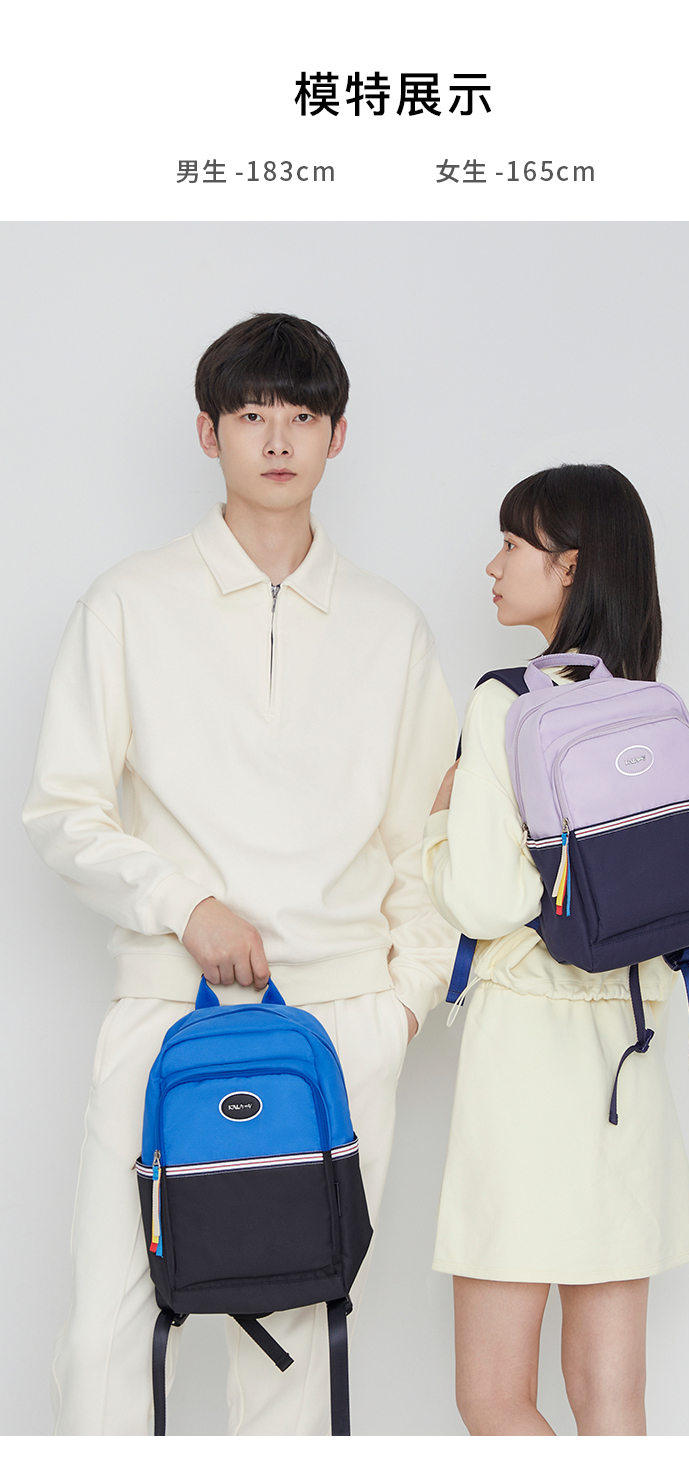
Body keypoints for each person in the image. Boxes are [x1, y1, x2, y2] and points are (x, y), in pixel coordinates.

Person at [22, 312, 457, 1435]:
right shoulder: (128, 602)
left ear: (338, 435)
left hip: (342, 1022)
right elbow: (63, 810)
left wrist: (404, 1004)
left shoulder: (390, 625)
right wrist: (185, 905)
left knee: (298, 1341)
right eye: (252, 413)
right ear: (207, 431)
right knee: (110, 1330)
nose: (277, 438)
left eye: (301, 415)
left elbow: (423, 839)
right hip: (170, 1008)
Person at [422, 463, 689, 1437]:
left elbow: (486, 897)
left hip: (525, 1063)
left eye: (512, 543)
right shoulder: (645, 705)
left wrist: (439, 819)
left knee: (493, 1394)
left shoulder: (505, 703)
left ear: (570, 565)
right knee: (612, 1399)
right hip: (628, 1056)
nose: (492, 565)